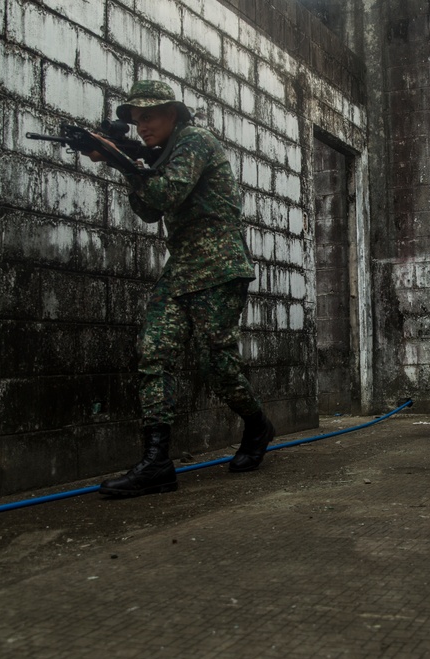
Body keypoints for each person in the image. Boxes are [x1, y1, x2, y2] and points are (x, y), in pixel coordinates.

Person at [82, 80, 275, 497]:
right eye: (136, 120)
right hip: (183, 267)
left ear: (173, 113)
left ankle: (258, 425)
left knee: (215, 365)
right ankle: (156, 463)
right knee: (154, 350)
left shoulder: (195, 142)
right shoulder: (161, 154)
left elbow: (168, 192)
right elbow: (149, 210)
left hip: (220, 266)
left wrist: (121, 161)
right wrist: (128, 165)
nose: (141, 126)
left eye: (148, 115)